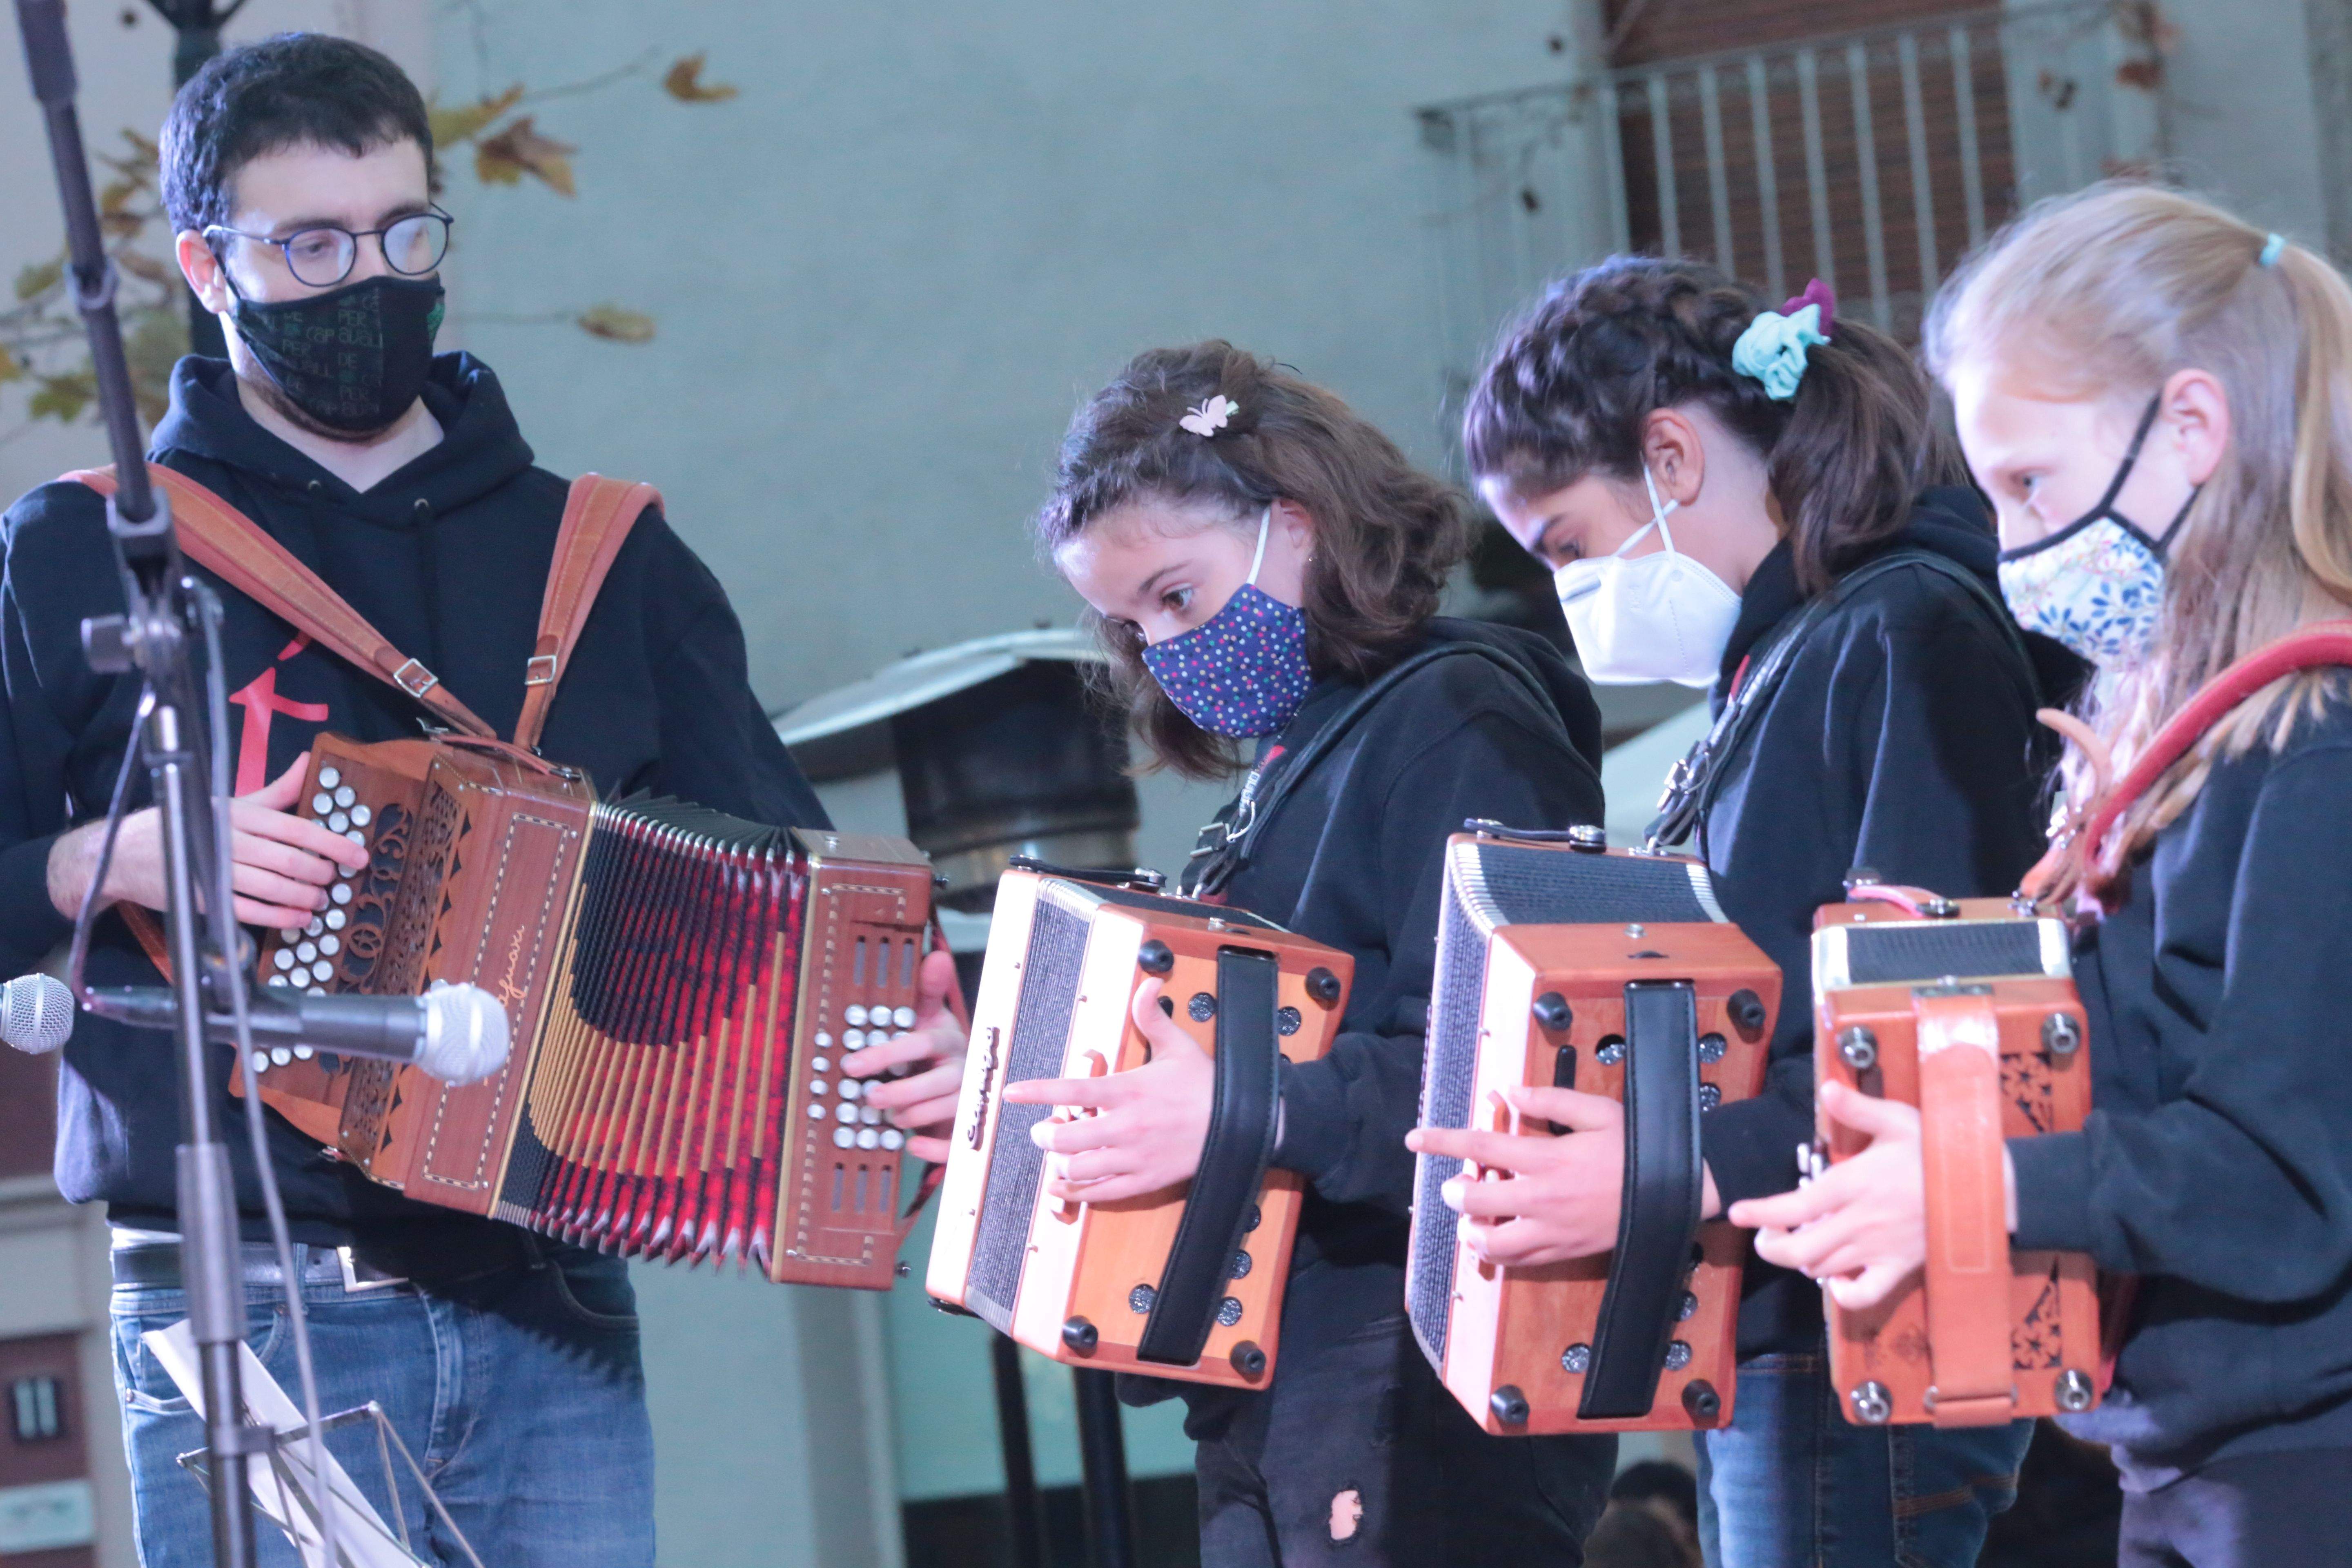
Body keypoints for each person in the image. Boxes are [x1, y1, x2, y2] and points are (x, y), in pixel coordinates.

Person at [0, 34, 963, 1568]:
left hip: (551, 1298)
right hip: (245, 1302)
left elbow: (794, 905)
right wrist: (105, 858)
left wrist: (913, 1026)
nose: (369, 279)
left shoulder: (607, 556)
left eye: (403, 234)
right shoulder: (87, 553)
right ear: (206, 263)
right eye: (313, 246)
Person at [1411, 257, 2080, 1568]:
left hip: (1866, 1317)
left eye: (1567, 545)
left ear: (1669, 456)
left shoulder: (1903, 625)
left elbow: (1945, 1029)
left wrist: (1668, 1168)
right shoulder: (1792, 654)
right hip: (1785, 1306)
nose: (1567, 593)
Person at [1734, 183, 2352, 1568]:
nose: (2011, 551)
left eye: (2030, 486)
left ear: (2193, 428)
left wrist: (1970, 1185)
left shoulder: (2318, 751)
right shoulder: (2211, 747)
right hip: (2199, 1450)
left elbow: (2285, 1183)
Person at [1002, 342, 1616, 1564]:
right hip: (1276, 1373)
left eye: (1178, 597)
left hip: (1414, 1365)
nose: (1164, 650)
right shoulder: (1298, 762)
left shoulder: (1459, 715)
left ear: (1299, 524)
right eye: (1132, 625)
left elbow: (1520, 1077)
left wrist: (1247, 1110)